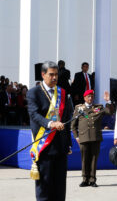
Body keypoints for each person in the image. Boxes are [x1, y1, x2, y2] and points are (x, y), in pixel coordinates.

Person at [27, 61, 73, 201]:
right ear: (43, 74)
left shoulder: (63, 93)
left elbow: (67, 117)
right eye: (51, 74)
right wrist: (51, 123)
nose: (54, 78)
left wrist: (68, 143)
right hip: (44, 146)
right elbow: (34, 115)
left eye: (56, 75)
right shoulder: (33, 93)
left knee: (59, 188)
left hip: (60, 147)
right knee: (44, 188)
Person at [71, 90, 114, 188]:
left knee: (94, 159)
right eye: (88, 97)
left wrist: (108, 101)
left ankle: (92, 180)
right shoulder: (79, 108)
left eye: (91, 96)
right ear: (84, 98)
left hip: (95, 137)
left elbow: (110, 112)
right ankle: (85, 179)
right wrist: (76, 137)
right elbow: (73, 125)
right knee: (84, 159)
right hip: (83, 137)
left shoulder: (98, 107)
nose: (90, 98)